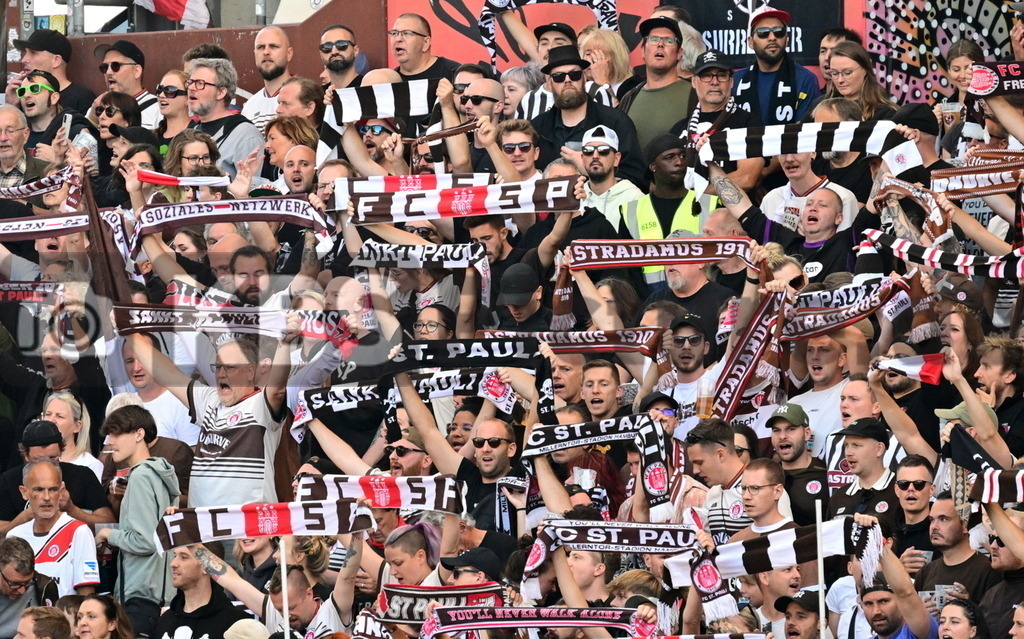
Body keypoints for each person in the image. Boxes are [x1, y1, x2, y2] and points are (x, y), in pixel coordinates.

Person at [94, 406, 180, 638]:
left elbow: (144, 541)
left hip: (141, 597)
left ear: (139, 434)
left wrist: (106, 535)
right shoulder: (158, 474)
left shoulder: (141, 476)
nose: (110, 442)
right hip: (161, 594)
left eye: (116, 433)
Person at [530, 46, 645, 187]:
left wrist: (592, 169)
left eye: (574, 75)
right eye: (558, 77)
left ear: (584, 77)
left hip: (602, 207)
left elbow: (637, 178)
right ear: (549, 83)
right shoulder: (538, 127)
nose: (567, 81)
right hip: (553, 207)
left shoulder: (614, 121)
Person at [8, 460, 98, 597]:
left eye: (53, 489)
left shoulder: (79, 531)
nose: (46, 497)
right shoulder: (15, 536)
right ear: (24, 492)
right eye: (38, 489)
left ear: (62, 491)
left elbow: (86, 595)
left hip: (63, 617)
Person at [732, 6, 821, 125]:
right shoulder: (736, 80)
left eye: (779, 32)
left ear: (787, 39)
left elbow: (804, 133)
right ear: (750, 42)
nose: (772, 38)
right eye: (763, 33)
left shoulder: (805, 79)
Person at [618, 17, 692, 151]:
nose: (660, 44)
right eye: (653, 39)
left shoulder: (694, 94)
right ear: (642, 51)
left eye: (669, 41)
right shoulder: (629, 98)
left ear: (679, 53)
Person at [914, 492, 1002, 601]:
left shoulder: (989, 571)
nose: (934, 527)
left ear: (965, 525)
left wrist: (968, 607)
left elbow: (997, 615)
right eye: (932, 520)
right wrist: (923, 613)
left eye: (943, 519)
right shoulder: (925, 573)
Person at [186, 58, 264, 180]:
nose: (191, 87)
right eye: (190, 82)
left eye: (200, 83)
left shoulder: (245, 135)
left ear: (221, 92)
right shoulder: (189, 132)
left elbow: (251, 188)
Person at [151, 545, 248, 639]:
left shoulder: (235, 622)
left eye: (184, 557)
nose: (173, 563)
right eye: (175, 556)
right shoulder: (165, 620)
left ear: (207, 566)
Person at [826, 418, 899, 522]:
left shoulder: (902, 491)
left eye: (856, 445)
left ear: (879, 449)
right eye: (846, 445)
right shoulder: (839, 496)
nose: (848, 452)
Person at [768, 403, 828, 527]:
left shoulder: (825, 473)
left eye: (791, 429)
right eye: (776, 430)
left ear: (807, 433)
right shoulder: (766, 476)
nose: (782, 436)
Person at [11, 29, 94, 113]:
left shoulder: (82, 98)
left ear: (56, 60)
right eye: (25, 53)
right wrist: (13, 105)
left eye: (33, 53)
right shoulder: (23, 95)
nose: (24, 60)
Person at [579, 125, 643, 227]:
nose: (595, 156)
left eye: (603, 150)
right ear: (582, 158)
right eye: (588, 150)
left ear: (616, 159)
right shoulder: (576, 197)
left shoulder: (634, 198)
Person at [93, 41, 160, 129]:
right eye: (104, 67)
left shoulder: (157, 109)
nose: (108, 72)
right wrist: (92, 118)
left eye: (115, 66)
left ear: (136, 71)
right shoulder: (99, 108)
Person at [242, 26, 294, 133]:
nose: (266, 52)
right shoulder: (249, 106)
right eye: (260, 47)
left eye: (273, 46)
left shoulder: (303, 97)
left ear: (289, 54)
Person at [389, 13, 460, 81]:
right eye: (394, 33)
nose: (398, 39)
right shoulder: (390, 81)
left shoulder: (454, 74)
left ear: (426, 42)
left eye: (407, 33)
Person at [319, 25, 363, 90]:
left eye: (342, 44)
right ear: (321, 54)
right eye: (327, 47)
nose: (334, 52)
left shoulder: (369, 89)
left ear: (355, 50)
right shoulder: (317, 96)